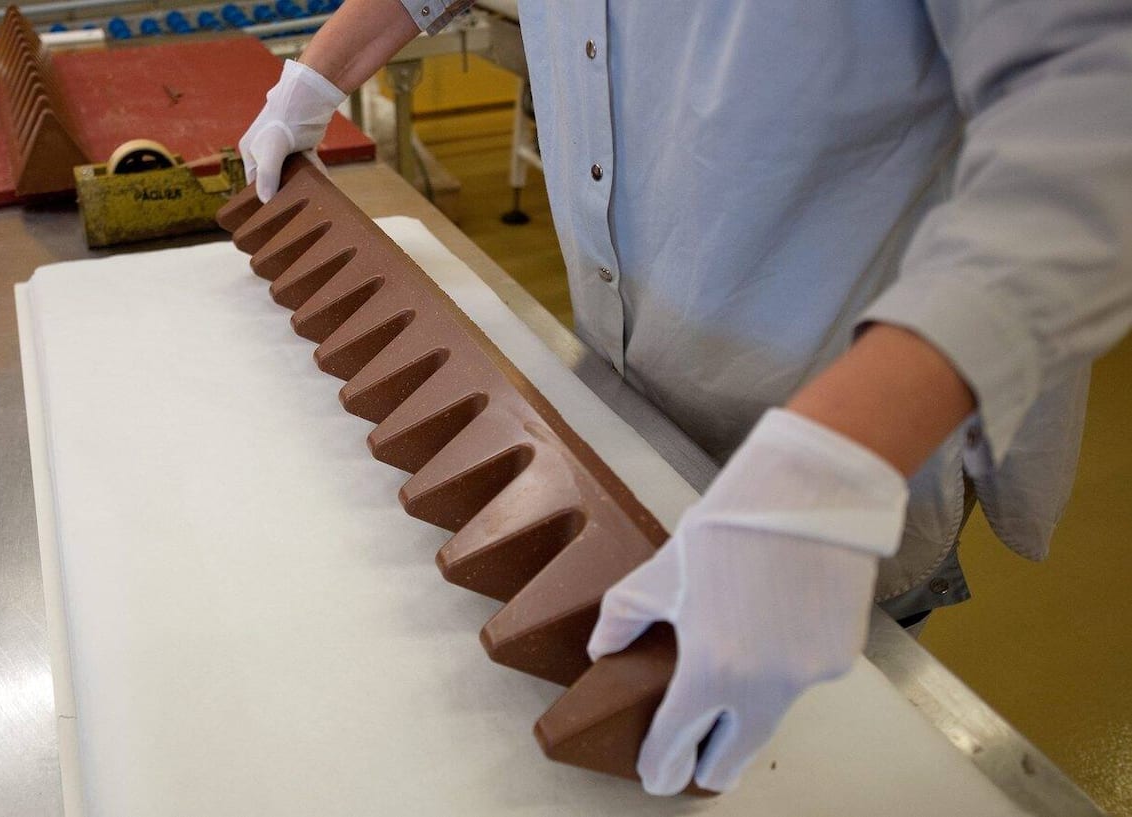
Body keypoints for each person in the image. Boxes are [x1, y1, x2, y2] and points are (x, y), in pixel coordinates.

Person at [238, 0, 1132, 797]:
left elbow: (1097, 119)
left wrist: (824, 475)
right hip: (625, 404)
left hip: (845, 421)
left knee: (807, 756)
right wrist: (317, 77)